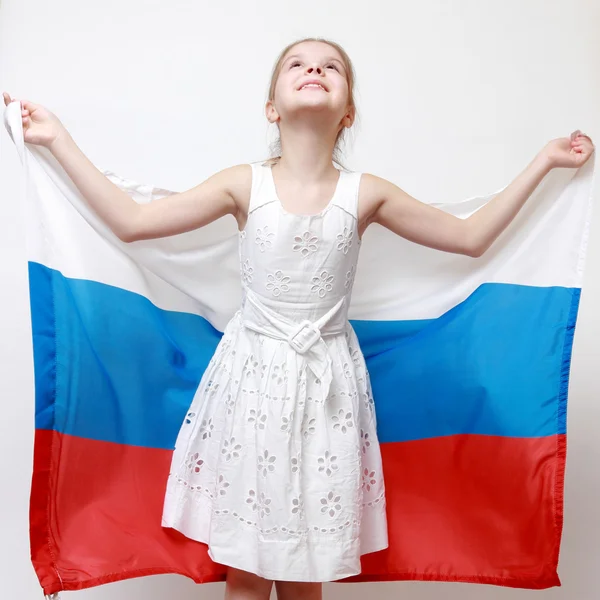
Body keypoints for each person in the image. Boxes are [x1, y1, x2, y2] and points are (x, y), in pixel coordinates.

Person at [3, 36, 594, 600]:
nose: (314, 70)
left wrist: (545, 162)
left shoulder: (365, 193)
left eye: (330, 66)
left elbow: (470, 238)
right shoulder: (244, 183)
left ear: (349, 112)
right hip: (251, 383)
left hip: (327, 390)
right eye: (298, 64)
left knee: (306, 565)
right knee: (248, 568)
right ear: (271, 107)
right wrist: (56, 140)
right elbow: (132, 222)